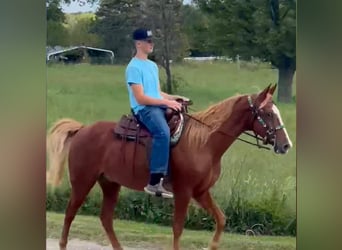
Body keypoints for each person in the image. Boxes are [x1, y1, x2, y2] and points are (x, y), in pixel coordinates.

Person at [125, 28, 182, 199]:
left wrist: (175, 98)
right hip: (144, 110)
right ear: (138, 43)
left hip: (156, 105)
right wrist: (166, 103)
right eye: (148, 41)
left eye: (152, 41)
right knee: (162, 132)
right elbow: (141, 98)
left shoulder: (152, 66)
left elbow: (157, 93)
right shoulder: (133, 67)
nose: (151, 44)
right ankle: (154, 181)